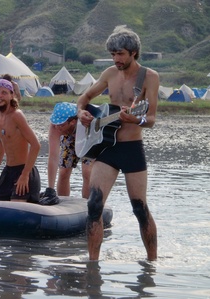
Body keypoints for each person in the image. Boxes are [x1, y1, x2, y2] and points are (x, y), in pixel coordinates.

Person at [76, 25, 159, 261]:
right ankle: (92, 264)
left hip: (132, 148)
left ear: (134, 52)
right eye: (113, 54)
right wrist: (81, 112)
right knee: (93, 205)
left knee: (139, 208)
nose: (116, 59)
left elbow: (151, 119)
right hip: (106, 148)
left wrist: (136, 119)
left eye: (120, 54)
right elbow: (84, 98)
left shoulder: (149, 77)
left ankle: (152, 262)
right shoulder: (109, 74)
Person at [0, 79, 41, 203]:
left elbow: (36, 145)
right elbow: (1, 142)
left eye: (4, 93)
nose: (0, 96)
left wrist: (24, 175)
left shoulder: (16, 115)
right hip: (8, 171)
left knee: (15, 211)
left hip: (24, 170)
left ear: (12, 95)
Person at [40, 102, 93, 204]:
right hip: (68, 137)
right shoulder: (56, 127)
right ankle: (63, 203)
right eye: (56, 124)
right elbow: (53, 157)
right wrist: (50, 189)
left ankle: (88, 204)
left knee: (87, 172)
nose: (58, 127)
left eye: (61, 125)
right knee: (63, 171)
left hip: (87, 135)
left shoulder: (84, 120)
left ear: (72, 122)